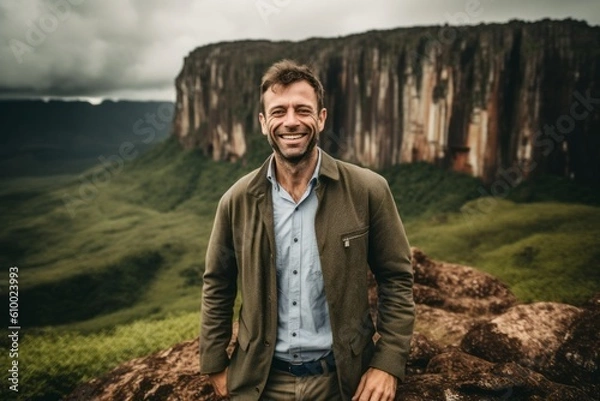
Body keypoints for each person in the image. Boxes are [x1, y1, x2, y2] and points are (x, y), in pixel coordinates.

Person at [200, 59, 415, 400]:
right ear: (262, 122)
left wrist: (387, 362)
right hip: (260, 382)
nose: (290, 122)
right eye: (278, 112)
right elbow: (217, 282)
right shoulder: (236, 200)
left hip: (343, 381)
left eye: (303, 110)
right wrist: (214, 364)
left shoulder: (368, 190)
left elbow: (397, 278)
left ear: (321, 117)